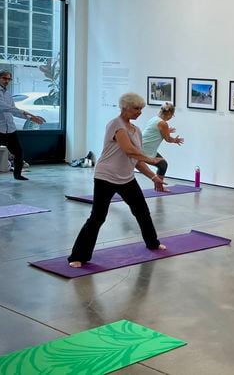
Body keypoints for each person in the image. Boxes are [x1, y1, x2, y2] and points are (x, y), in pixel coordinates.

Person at [67, 93, 167, 267]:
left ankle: (153, 243)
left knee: (142, 211)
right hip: (106, 177)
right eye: (136, 108)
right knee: (97, 217)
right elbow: (128, 150)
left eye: (141, 109)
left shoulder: (136, 131)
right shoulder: (116, 125)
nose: (139, 112)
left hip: (127, 178)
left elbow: (135, 160)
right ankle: (78, 256)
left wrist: (154, 176)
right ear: (124, 107)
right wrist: (152, 159)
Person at [0, 69, 45, 183]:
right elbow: (4, 107)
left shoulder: (7, 93)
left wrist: (31, 118)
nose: (7, 81)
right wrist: (28, 113)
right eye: (4, 78)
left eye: (9, 79)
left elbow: (14, 111)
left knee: (18, 152)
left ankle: (18, 175)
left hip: (9, 128)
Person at [141, 102, 184, 189]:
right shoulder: (163, 123)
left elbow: (156, 131)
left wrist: (167, 130)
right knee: (163, 165)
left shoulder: (154, 119)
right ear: (169, 114)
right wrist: (175, 140)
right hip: (146, 149)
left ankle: (158, 187)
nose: (171, 117)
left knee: (162, 165)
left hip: (143, 146)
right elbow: (168, 139)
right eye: (172, 115)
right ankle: (159, 187)